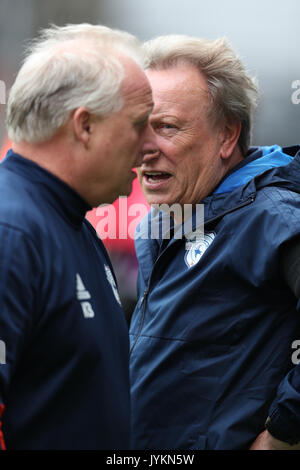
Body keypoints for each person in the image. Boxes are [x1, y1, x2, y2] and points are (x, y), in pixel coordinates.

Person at [129, 34, 300, 450]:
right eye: (137, 127)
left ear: (227, 136)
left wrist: (285, 429)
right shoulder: (163, 220)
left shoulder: (276, 218)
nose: (145, 149)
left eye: (167, 127)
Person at [0, 23, 153, 450]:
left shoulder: (73, 222)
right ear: (84, 126)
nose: (149, 146)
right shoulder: (11, 232)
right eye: (139, 124)